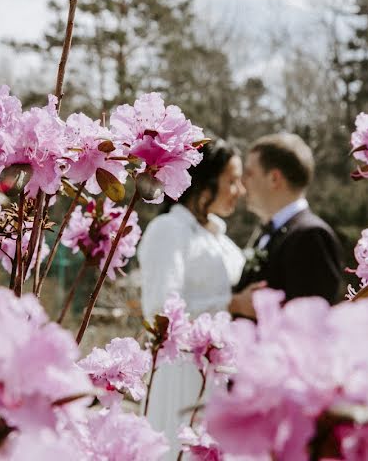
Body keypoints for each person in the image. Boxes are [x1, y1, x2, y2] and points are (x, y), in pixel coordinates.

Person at [137, 139, 246, 460]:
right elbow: (161, 309)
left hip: (221, 375)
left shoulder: (223, 240)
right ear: (205, 182)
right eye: (232, 180)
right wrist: (231, 305)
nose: (239, 190)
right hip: (181, 372)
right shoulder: (169, 229)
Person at [229, 132, 343, 319]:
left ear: (274, 178)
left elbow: (309, 321)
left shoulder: (312, 236)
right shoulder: (268, 233)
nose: (242, 183)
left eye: (249, 173)